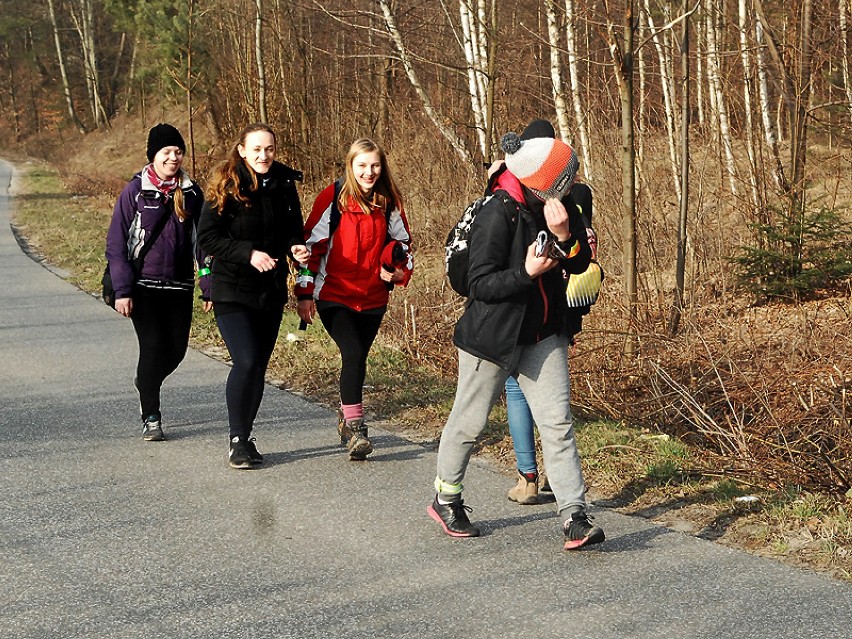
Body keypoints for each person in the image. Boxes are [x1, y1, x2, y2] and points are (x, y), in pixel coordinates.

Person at [428, 129, 606, 550]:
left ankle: (574, 515)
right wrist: (526, 273)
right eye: (565, 179)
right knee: (468, 423)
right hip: (491, 337)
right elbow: (479, 284)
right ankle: (446, 497)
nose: (572, 186)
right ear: (542, 181)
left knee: (557, 424)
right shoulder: (498, 211)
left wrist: (565, 236)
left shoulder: (559, 204)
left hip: (543, 332)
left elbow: (581, 260)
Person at [497, 120, 600, 506]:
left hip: (533, 302)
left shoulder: (515, 194)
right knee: (554, 402)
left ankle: (528, 478)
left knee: (518, 388)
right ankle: (559, 479)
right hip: (566, 302)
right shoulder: (579, 192)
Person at [197, 123, 309, 470]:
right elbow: (208, 238)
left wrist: (296, 250)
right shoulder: (226, 185)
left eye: (270, 149)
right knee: (245, 360)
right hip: (232, 287)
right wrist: (248, 254)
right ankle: (235, 439)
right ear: (242, 150)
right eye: (257, 149)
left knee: (258, 367)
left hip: (269, 290)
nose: (264, 156)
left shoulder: (285, 185)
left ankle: (245, 437)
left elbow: (294, 231)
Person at [295, 138, 413, 461]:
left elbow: (405, 248)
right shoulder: (331, 199)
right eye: (361, 165)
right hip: (334, 295)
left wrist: (400, 271)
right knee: (353, 351)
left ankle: (346, 417)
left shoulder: (388, 202)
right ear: (350, 166)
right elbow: (309, 249)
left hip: (374, 298)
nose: (369, 172)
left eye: (374, 165)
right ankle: (357, 427)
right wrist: (304, 295)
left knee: (357, 360)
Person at [105, 123, 210, 442]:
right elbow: (116, 242)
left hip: (179, 286)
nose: (173, 157)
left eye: (178, 152)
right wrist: (122, 290)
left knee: (176, 351)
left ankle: (145, 382)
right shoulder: (135, 190)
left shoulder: (191, 193)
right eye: (167, 152)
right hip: (143, 287)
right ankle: (151, 415)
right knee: (152, 346)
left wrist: (208, 286)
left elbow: (203, 242)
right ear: (153, 155)